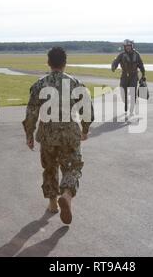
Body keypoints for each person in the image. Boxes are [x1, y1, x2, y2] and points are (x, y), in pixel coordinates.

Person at [22, 47, 94, 224]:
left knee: (49, 168)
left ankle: (53, 204)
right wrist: (85, 129)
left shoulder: (39, 84)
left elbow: (31, 112)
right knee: (73, 167)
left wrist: (29, 134)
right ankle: (67, 195)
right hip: (69, 134)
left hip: (47, 135)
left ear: (48, 62)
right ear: (65, 63)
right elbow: (87, 110)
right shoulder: (75, 83)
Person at [111, 39, 146, 117]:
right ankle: (126, 103)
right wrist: (114, 67)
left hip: (134, 76)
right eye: (126, 46)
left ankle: (131, 110)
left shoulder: (137, 55)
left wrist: (143, 75)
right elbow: (116, 62)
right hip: (124, 76)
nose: (128, 48)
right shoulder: (121, 55)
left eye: (129, 46)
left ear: (132, 46)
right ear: (124, 47)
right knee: (123, 93)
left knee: (133, 93)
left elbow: (141, 65)